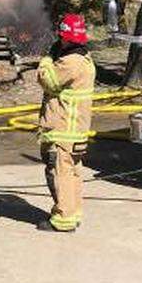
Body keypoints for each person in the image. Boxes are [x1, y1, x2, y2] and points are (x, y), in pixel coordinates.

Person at [36, 13, 96, 232]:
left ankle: (63, 220)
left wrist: (46, 59)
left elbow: (48, 80)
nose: (59, 41)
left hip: (63, 130)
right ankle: (73, 213)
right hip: (76, 131)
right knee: (72, 174)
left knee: (59, 173)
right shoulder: (85, 58)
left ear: (67, 38)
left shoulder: (70, 62)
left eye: (61, 37)